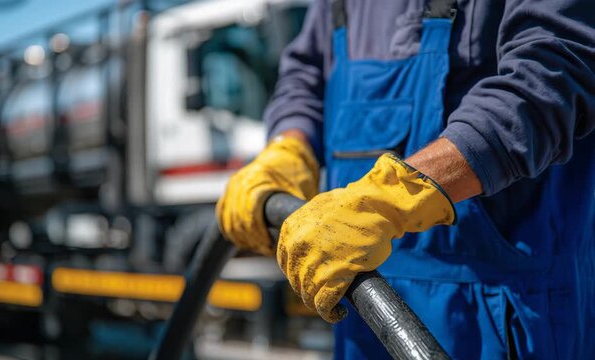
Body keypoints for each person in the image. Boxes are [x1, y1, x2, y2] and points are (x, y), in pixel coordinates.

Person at [216, 0, 595, 358]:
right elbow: (307, 73)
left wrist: (395, 196)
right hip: (359, 308)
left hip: (498, 317)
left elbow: (551, 76)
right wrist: (288, 147)